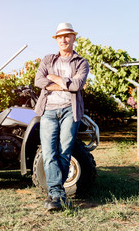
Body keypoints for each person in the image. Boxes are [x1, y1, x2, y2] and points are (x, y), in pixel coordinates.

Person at [34, 23, 89, 211]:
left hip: (69, 110)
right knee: (49, 153)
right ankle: (57, 194)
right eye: (60, 37)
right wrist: (65, 83)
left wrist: (56, 79)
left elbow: (77, 86)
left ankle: (54, 195)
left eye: (67, 36)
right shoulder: (48, 59)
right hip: (48, 111)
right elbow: (39, 80)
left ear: (73, 38)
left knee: (64, 152)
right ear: (56, 40)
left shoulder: (81, 62)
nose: (64, 40)